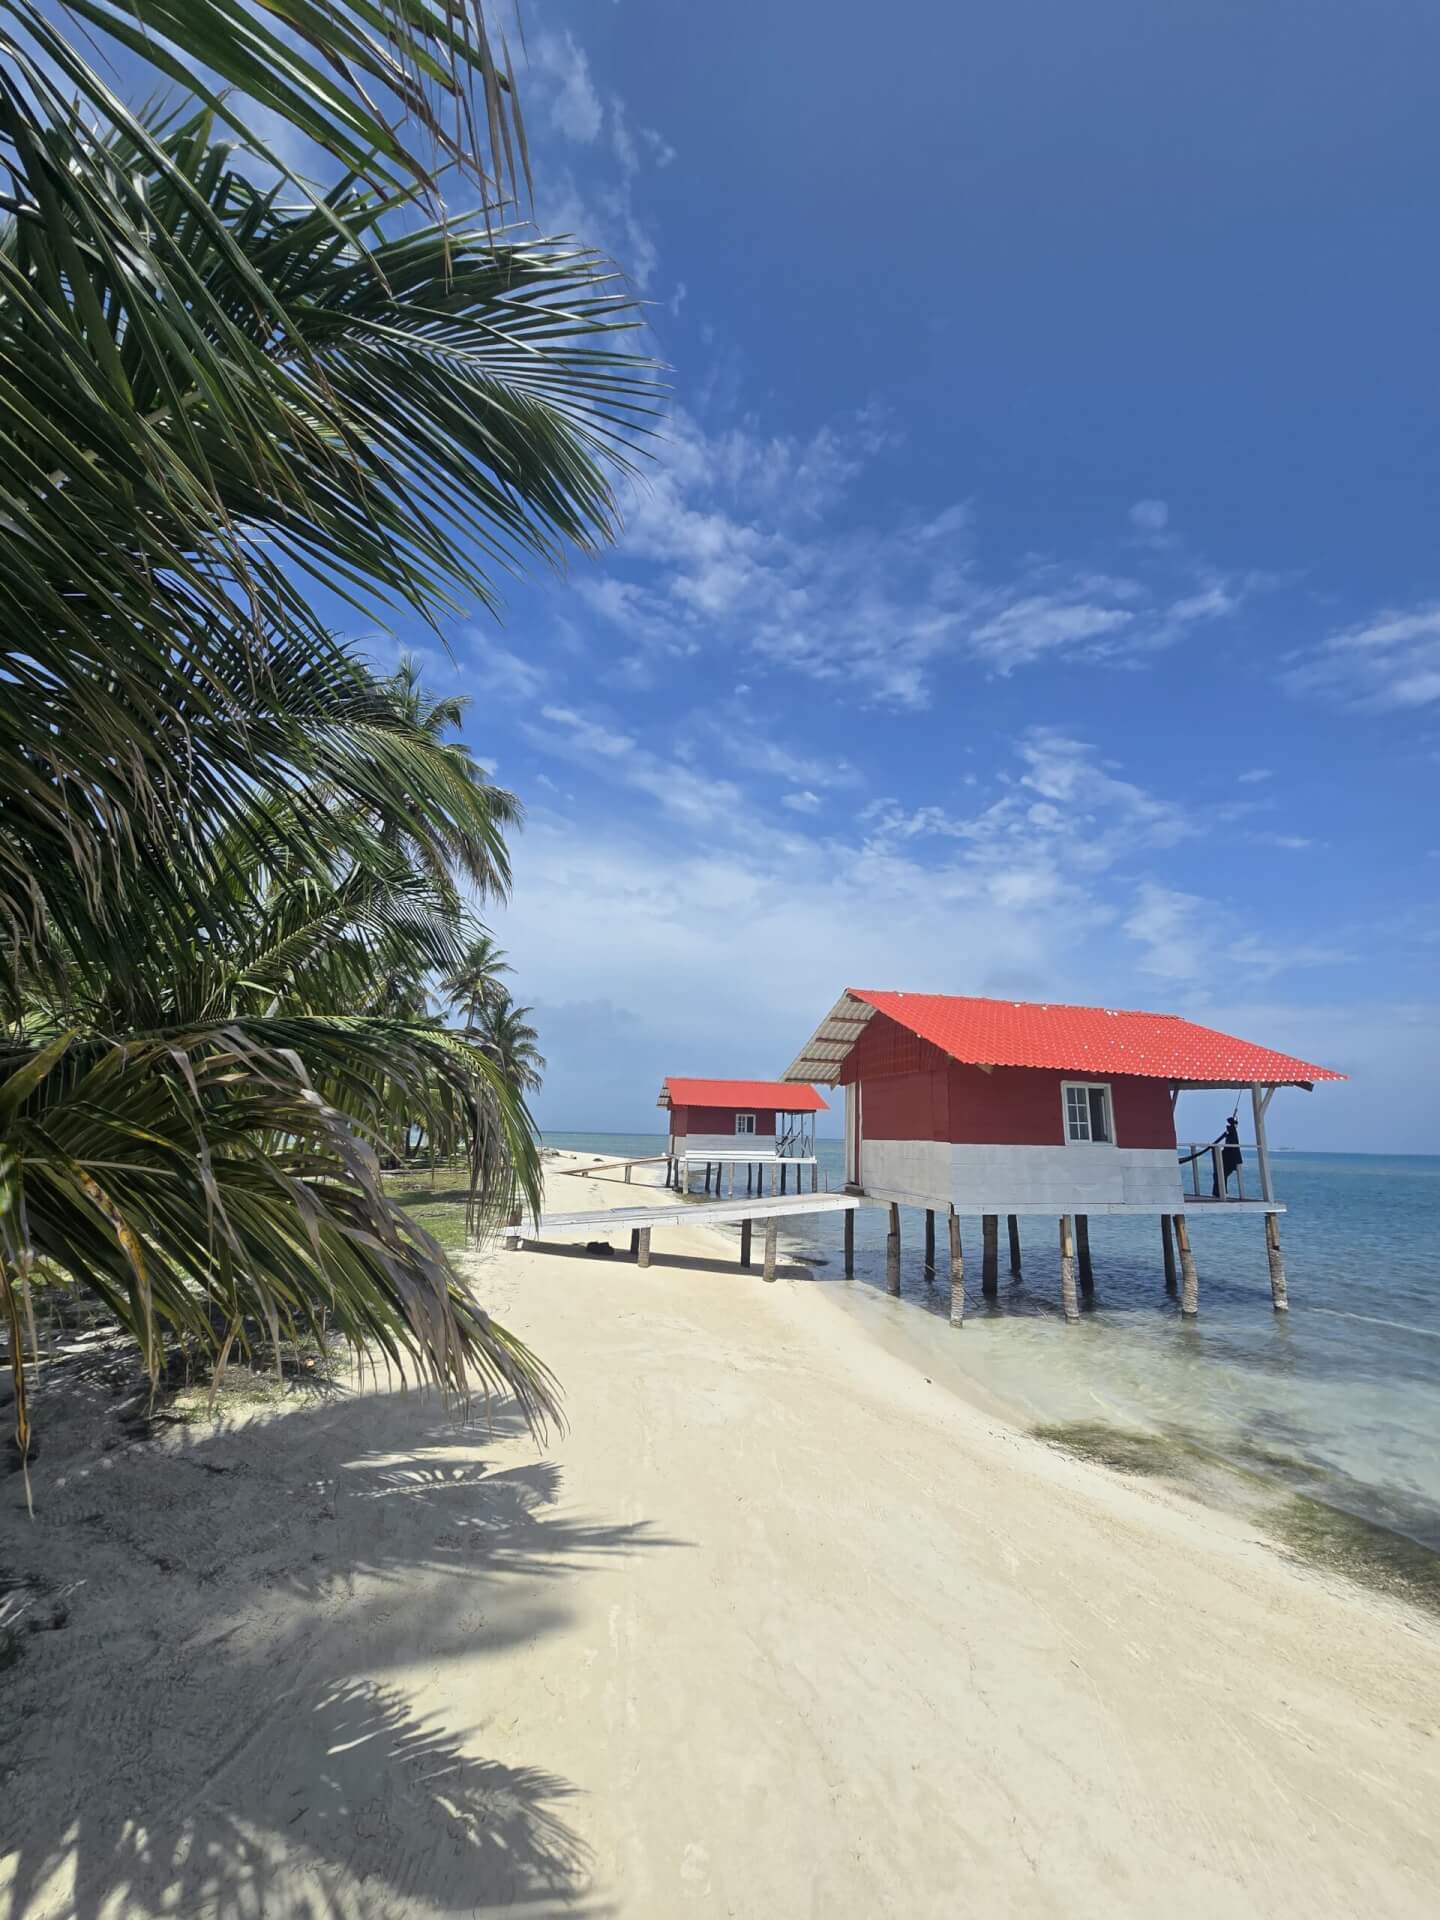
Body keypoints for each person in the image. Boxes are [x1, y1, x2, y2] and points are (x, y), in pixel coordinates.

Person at [1212, 1115, 1242, 1196]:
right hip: (1229, 1158)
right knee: (1220, 1174)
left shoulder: (1231, 1132)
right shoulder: (1231, 1132)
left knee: (1222, 1174)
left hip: (1229, 1158)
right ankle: (1220, 1192)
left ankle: (1221, 1192)